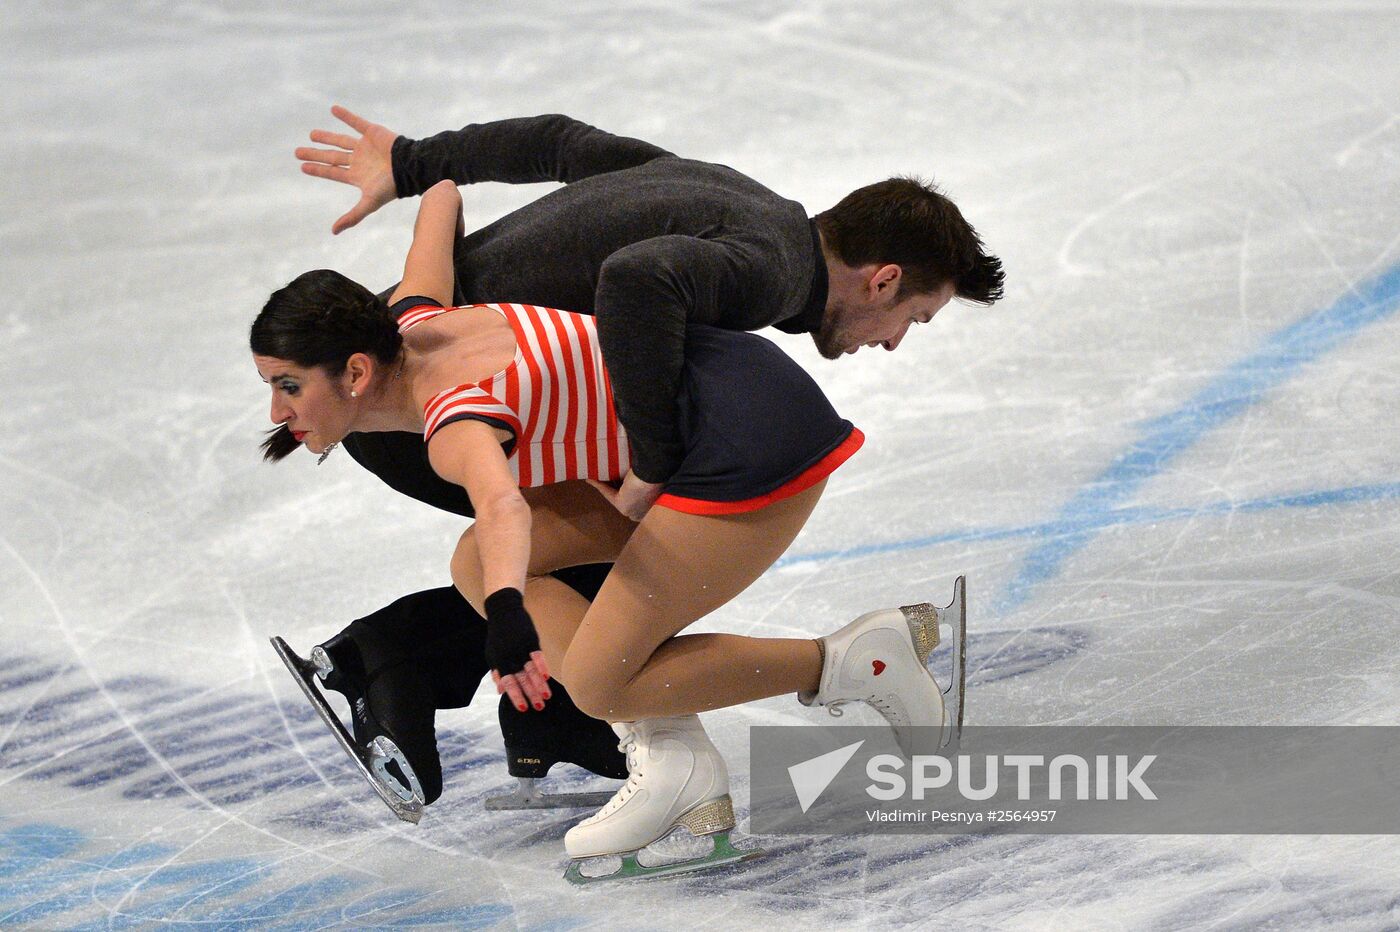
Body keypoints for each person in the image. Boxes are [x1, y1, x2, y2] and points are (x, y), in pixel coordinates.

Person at [281, 106, 1001, 826]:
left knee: (605, 569)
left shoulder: (723, 191)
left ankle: (559, 722)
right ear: (882, 281)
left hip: (409, 348)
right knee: (624, 555)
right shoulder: (775, 268)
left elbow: (558, 142)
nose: (897, 342)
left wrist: (414, 161)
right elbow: (637, 279)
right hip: (440, 408)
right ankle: (395, 660)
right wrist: (651, 461)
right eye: (917, 317)